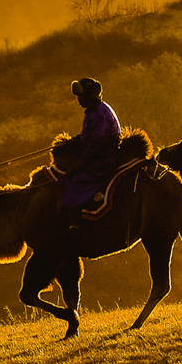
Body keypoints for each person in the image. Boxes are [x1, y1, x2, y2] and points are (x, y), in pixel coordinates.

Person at [59, 78, 121, 243]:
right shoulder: (97, 111)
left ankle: (74, 226)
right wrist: (76, 140)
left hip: (102, 162)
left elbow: (95, 147)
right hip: (100, 156)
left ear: (91, 97)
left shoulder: (98, 115)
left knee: (74, 183)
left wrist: (78, 166)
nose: (79, 100)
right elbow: (91, 136)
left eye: (82, 96)